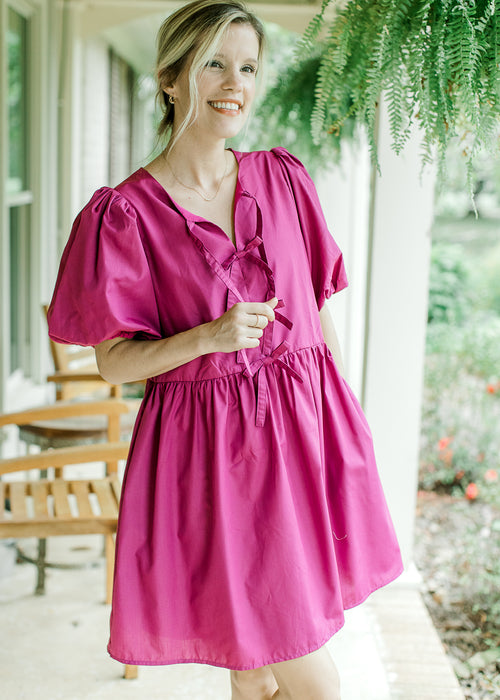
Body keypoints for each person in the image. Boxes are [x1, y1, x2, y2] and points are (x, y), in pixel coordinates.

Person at [47, 1, 403, 698]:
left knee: (257, 675)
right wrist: (206, 338)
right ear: (172, 78)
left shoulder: (284, 179)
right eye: (214, 62)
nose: (233, 81)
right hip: (215, 460)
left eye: (246, 65)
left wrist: (343, 423)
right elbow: (112, 361)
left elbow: (318, 314)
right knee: (311, 679)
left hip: (306, 435)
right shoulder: (126, 214)